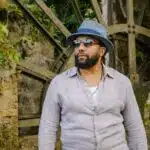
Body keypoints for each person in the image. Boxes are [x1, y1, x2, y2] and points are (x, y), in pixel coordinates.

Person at [38, 19, 148, 150]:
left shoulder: (122, 83)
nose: (80, 48)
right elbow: (47, 129)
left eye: (88, 43)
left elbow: (135, 128)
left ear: (102, 51)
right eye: (77, 43)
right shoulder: (59, 84)